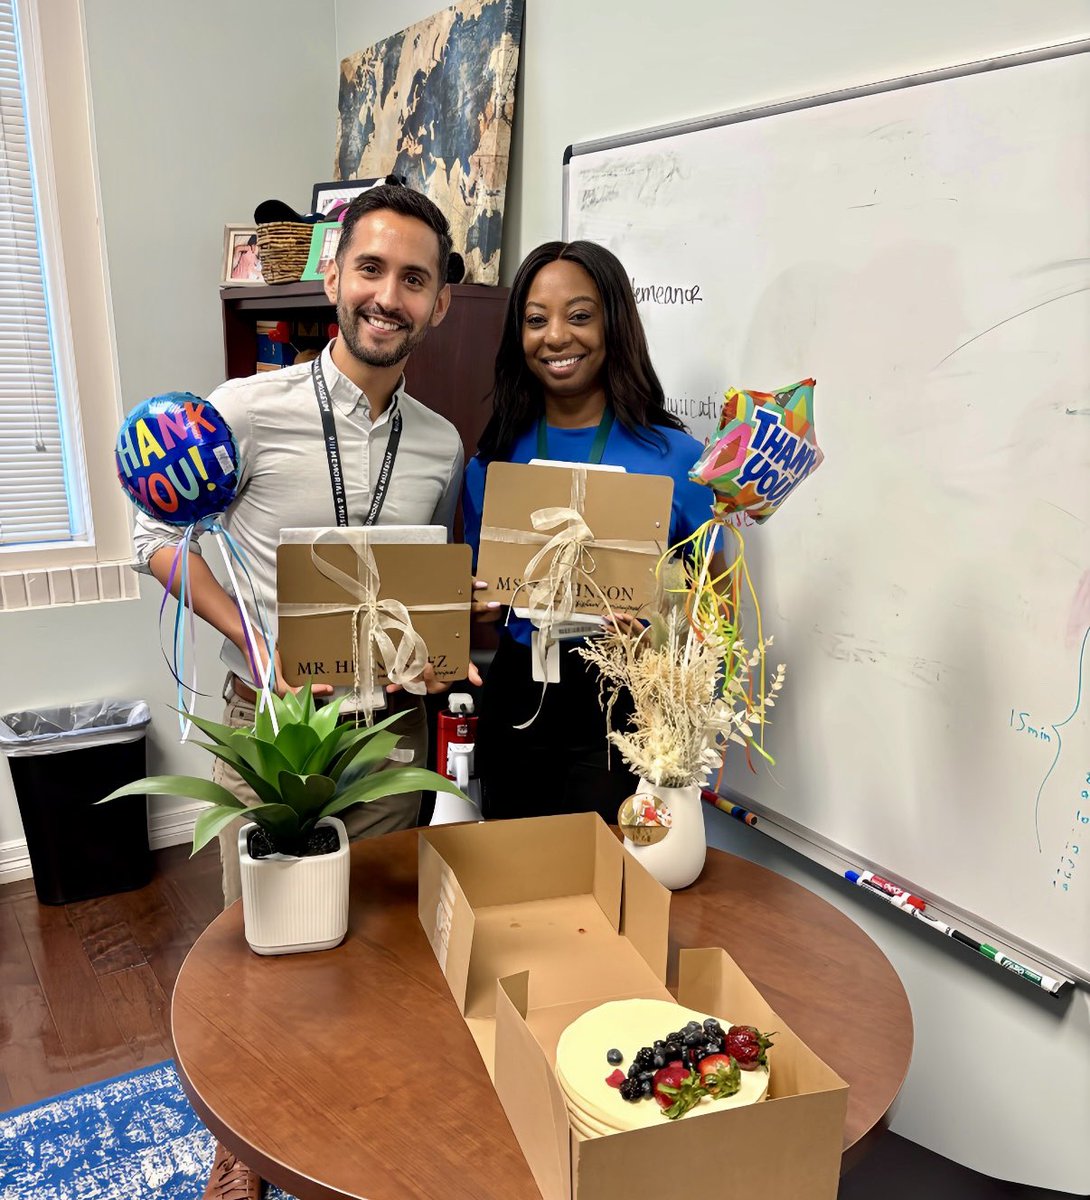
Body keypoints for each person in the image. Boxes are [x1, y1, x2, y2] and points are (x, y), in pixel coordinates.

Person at [133, 184, 469, 1200]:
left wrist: (436, 651)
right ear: (333, 279)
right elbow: (153, 543)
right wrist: (256, 635)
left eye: (413, 279)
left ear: (438, 304)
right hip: (273, 730)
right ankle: (243, 1144)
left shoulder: (443, 445)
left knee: (377, 944)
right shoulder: (240, 412)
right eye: (370, 270)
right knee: (265, 944)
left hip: (387, 736)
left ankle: (362, 1124)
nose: (387, 297)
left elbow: (420, 580)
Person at [461, 240, 713, 826]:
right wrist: (474, 608)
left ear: (614, 323)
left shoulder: (679, 460)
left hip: (625, 707)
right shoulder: (491, 462)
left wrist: (654, 635)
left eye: (579, 316)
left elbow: (710, 609)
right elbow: (484, 601)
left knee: (618, 888)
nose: (556, 337)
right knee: (517, 880)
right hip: (518, 696)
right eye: (535, 320)